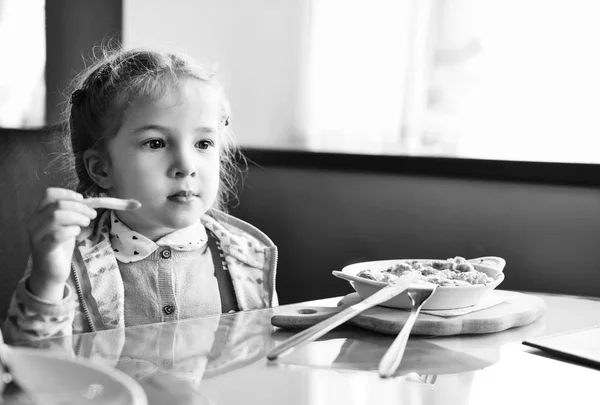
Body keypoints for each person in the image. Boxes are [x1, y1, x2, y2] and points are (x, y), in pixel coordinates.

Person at [3, 48, 278, 343]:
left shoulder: (248, 256)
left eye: (204, 143)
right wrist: (48, 279)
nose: (186, 166)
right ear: (102, 168)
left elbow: (264, 363)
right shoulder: (68, 258)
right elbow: (34, 368)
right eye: (156, 143)